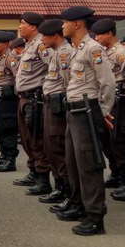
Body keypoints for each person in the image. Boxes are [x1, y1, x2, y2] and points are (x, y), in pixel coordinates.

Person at [56, 6, 116, 236]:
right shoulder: (75, 49)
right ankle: (80, 205)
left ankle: (95, 217)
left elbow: (108, 83)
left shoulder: (93, 49)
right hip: (74, 110)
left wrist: (103, 111)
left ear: (78, 24)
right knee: (73, 162)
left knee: (89, 165)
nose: (63, 26)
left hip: (87, 111)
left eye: (66, 22)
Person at [92, 19, 125, 198]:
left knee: (118, 140)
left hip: (118, 101)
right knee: (106, 140)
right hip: (104, 99)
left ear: (110, 33)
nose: (97, 38)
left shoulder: (120, 52)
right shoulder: (103, 51)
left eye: (100, 34)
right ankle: (116, 172)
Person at [14, 12, 52, 196]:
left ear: (34, 27)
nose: (19, 27)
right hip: (25, 98)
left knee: (36, 139)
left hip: (35, 99)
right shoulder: (29, 45)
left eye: (22, 24)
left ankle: (43, 179)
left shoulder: (41, 45)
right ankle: (33, 172)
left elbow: (54, 68)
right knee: (27, 139)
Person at [39, 18, 75, 205]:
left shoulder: (65, 53)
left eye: (44, 35)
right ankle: (60, 187)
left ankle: (68, 191)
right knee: (51, 147)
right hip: (50, 104)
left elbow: (70, 83)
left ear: (54, 36)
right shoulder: (54, 52)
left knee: (59, 147)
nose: (42, 39)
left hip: (59, 106)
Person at [0, 31, 19, 172]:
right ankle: (3, 154)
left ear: (6, 44)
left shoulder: (11, 57)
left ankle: (10, 159)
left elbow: (18, 77)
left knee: (7, 127)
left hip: (7, 97)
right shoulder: (0, 57)